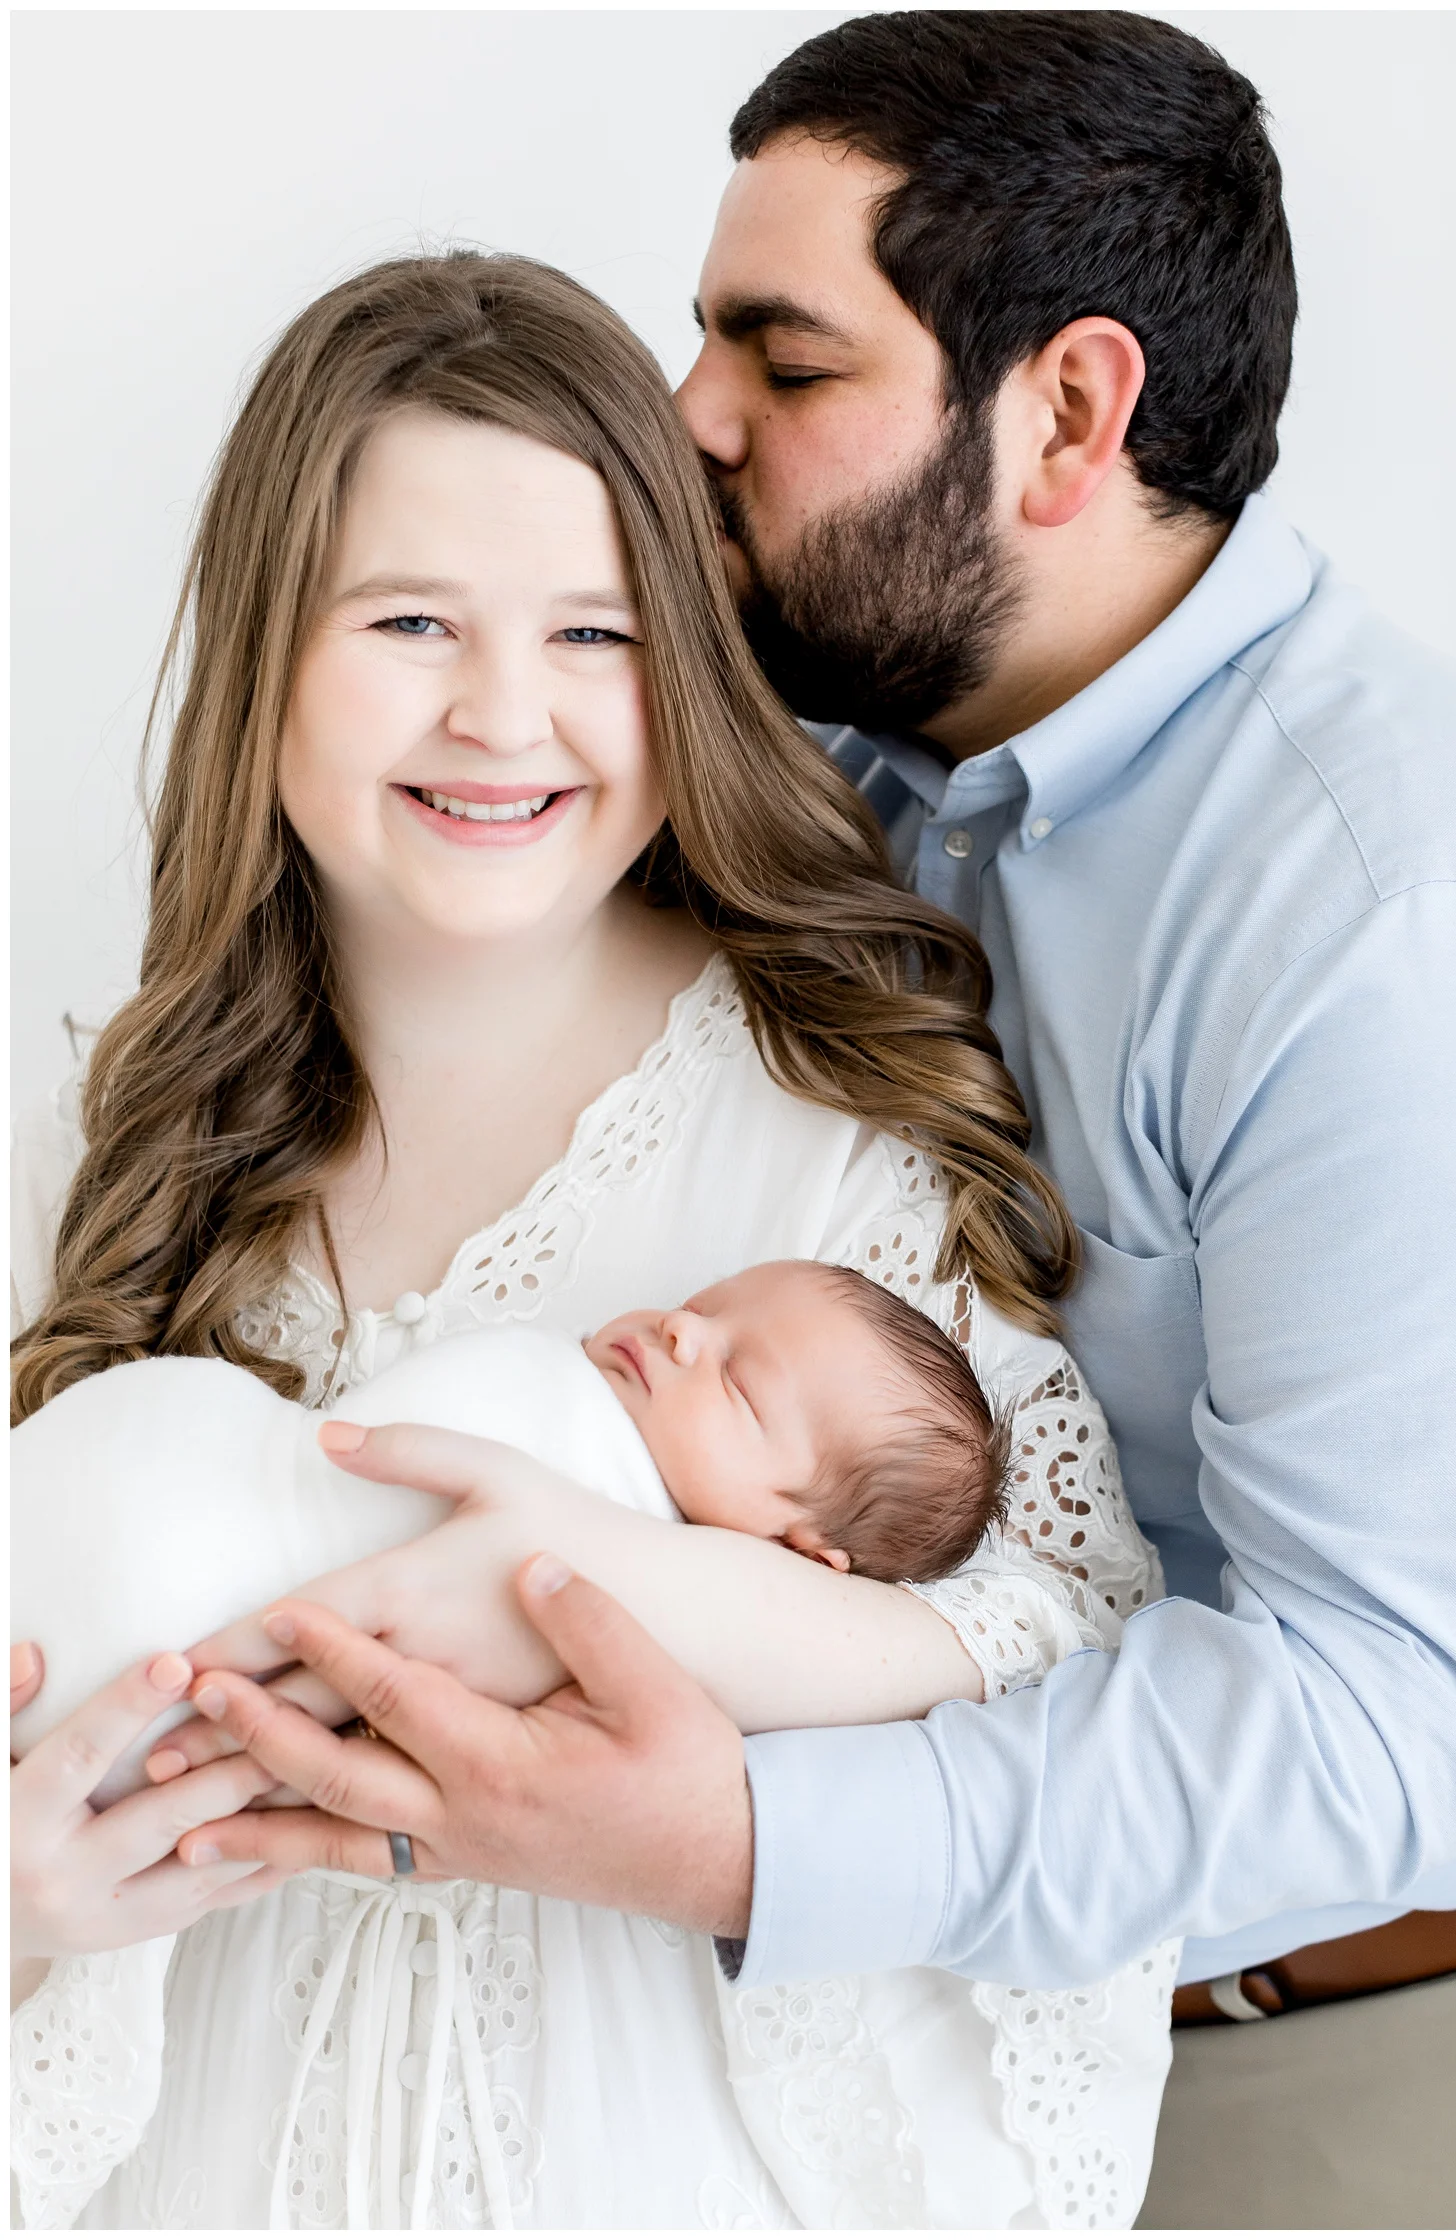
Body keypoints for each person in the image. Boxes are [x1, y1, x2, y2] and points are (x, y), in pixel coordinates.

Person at [132, 12, 1456, 2229]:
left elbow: (1415, 1725)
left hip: (1319, 2025)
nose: (692, 417)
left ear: (1070, 413)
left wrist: (741, 1842)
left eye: (785, 356)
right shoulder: (824, 755)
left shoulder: (1380, 909)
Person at [10, 251, 1170, 2229]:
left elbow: (1056, 1679)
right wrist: (22, 1909)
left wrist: (607, 1584)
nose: (502, 713)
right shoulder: (99, 1156)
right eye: (409, 620)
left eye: (592, 631)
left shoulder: (830, 1148)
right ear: (267, 642)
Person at [15, 1261, 1016, 1801]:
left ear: (799, 1551)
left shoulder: (650, 1607)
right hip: (143, 1467)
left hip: (162, 1644)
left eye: (739, 1382)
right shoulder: (585, 1389)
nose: (682, 1330)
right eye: (701, 1305)